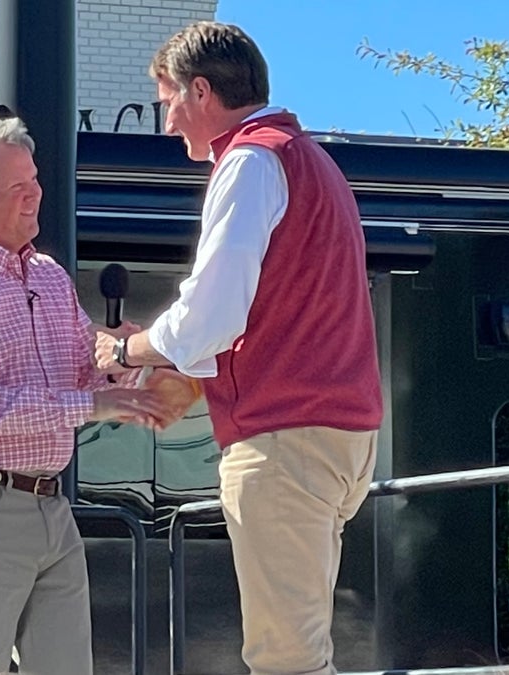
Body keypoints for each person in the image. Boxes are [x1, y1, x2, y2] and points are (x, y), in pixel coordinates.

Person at [93, 21, 383, 675]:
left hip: (284, 436)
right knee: (301, 650)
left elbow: (214, 313)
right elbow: (257, 314)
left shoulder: (252, 159)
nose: (167, 125)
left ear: (200, 92)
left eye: (166, 101)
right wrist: (182, 365)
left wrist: (127, 352)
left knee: (287, 661)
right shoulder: (309, 159)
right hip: (334, 433)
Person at [0, 116, 171, 675]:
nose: (36, 195)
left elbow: (82, 373)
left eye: (36, 180)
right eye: (19, 187)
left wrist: (123, 360)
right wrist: (94, 404)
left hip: (52, 505)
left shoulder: (48, 276)